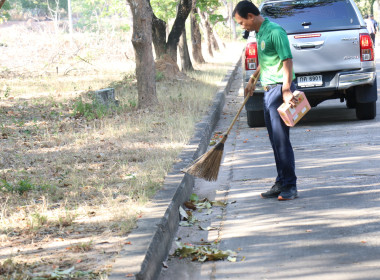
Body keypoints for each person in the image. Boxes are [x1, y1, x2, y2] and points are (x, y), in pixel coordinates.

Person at [233, 0, 298, 200]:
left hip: (280, 89)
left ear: (250, 17)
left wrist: (286, 90)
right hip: (269, 90)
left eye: (241, 22)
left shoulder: (275, 32)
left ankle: (290, 186)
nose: (242, 26)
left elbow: (287, 60)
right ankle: (280, 182)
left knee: (281, 140)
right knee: (274, 140)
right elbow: (266, 59)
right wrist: (253, 79)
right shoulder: (259, 32)